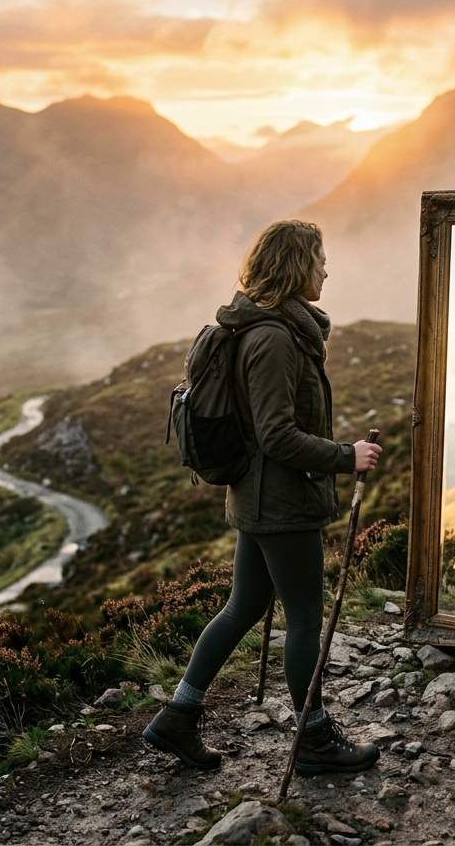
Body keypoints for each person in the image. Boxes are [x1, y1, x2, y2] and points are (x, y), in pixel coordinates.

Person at [142, 220, 383, 773]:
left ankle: (178, 716)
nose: (327, 271)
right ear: (297, 266)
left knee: (243, 607)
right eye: (320, 261)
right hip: (282, 502)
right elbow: (277, 436)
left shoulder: (265, 326)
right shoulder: (273, 337)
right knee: (305, 620)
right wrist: (346, 456)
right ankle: (314, 741)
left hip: (258, 498)